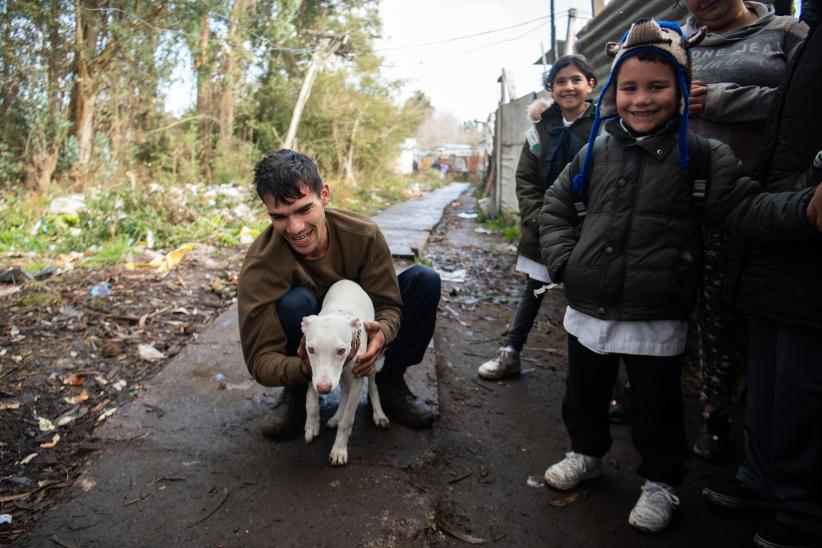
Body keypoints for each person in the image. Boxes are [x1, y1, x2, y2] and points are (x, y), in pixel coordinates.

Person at [537, 18, 819, 534]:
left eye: (657, 87)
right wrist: (565, 263)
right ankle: (586, 452)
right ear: (614, 92)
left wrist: (803, 209)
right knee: (584, 393)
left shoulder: (705, 158)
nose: (641, 100)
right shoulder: (595, 151)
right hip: (588, 308)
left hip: (655, 313)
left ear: (683, 90)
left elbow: (749, 211)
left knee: (656, 407)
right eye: (629, 88)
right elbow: (554, 207)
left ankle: (661, 481)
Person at [701, 8, 822, 545]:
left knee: (802, 373)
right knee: (767, 360)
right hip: (764, 212)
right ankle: (759, 478)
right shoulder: (813, 32)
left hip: (794, 212)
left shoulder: (788, 34)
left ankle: (801, 508)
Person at [681, 0, 808, 463]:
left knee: (733, 313)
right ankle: (648, 390)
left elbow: (804, 102)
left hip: (754, 200)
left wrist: (721, 99)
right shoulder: (679, 41)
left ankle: (720, 414)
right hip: (677, 199)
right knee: (676, 301)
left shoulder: (787, 34)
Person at [238, 150, 441, 439]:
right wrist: (304, 366)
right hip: (309, 343)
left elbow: (389, 305)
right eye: (279, 217)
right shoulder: (262, 264)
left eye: (304, 209)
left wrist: (381, 334)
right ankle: (297, 394)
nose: (295, 228)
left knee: (425, 280)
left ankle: (390, 381)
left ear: (324, 195)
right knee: (297, 303)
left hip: (357, 321)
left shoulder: (364, 235)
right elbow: (259, 359)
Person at [477, 54, 597, 380]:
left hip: (591, 230)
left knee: (589, 299)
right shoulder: (540, 131)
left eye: (575, 80)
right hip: (544, 226)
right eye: (560, 81)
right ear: (551, 89)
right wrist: (539, 220)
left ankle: (592, 375)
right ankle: (511, 352)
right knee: (534, 288)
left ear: (591, 84)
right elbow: (526, 181)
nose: (568, 86)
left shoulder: (604, 127)